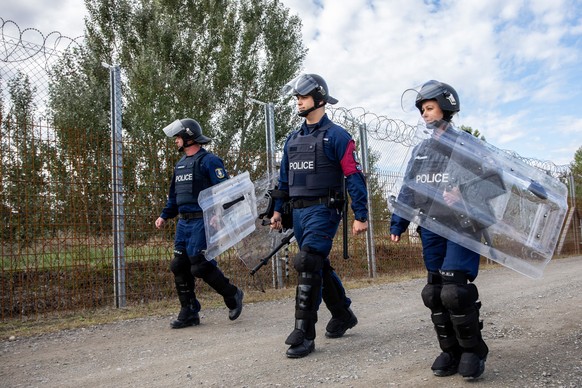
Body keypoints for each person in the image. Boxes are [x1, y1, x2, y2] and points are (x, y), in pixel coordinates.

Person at [390, 80, 489, 379]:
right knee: (434, 292)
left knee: (455, 291)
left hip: (462, 226)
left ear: (446, 107)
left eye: (429, 108)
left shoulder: (468, 145)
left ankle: (473, 350)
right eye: (421, 110)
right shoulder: (421, 150)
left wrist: (465, 194)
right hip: (430, 225)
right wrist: (399, 221)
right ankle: (451, 351)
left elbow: (493, 183)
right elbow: (409, 186)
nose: (424, 114)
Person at [270, 74, 369, 358]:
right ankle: (343, 314)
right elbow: (284, 180)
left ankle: (304, 333)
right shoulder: (292, 139)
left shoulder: (337, 136)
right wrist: (278, 210)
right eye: (297, 97)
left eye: (303, 97)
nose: (298, 101)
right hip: (299, 213)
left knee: (308, 260)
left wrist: (360, 214)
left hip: (325, 210)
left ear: (320, 99)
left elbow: (353, 175)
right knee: (318, 266)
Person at [155, 118, 244, 329]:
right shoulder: (180, 165)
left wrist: (218, 213)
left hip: (202, 222)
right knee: (178, 265)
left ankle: (233, 294)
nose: (175, 141)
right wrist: (164, 215)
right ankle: (189, 312)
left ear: (188, 137)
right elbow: (174, 197)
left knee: (200, 265)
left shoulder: (209, 161)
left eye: (178, 137)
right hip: (183, 224)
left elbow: (228, 191)